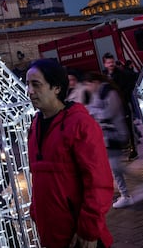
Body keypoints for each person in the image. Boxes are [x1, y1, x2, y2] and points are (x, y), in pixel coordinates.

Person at [26, 59, 114, 247]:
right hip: (50, 232)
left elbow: (99, 181)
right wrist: (35, 210)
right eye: (27, 84)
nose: (30, 91)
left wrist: (89, 229)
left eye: (36, 84)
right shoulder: (35, 126)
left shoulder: (81, 124)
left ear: (56, 88)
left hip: (78, 235)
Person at [82, 72, 133, 209]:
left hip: (116, 134)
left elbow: (109, 114)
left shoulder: (109, 93)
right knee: (115, 167)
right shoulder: (98, 94)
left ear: (95, 82)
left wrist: (92, 112)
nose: (87, 88)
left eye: (88, 84)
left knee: (116, 167)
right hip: (107, 135)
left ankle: (126, 195)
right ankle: (126, 193)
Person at [102, 53, 139, 160]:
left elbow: (130, 83)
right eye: (108, 63)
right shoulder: (104, 75)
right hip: (112, 107)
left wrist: (123, 96)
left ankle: (134, 150)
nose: (111, 64)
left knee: (129, 127)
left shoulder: (121, 74)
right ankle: (124, 146)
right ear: (104, 64)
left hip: (123, 104)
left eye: (112, 62)